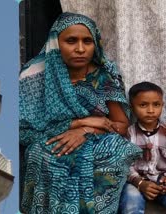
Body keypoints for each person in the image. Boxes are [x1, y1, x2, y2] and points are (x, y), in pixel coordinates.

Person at [19, 12, 142, 213]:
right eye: (71, 41)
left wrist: (86, 131)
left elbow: (120, 125)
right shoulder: (34, 76)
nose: (80, 49)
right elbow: (23, 130)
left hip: (97, 141)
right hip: (53, 141)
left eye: (87, 41)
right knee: (40, 154)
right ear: (56, 43)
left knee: (118, 151)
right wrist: (77, 124)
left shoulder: (105, 75)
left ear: (96, 44)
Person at [119, 81, 166, 214]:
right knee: (131, 200)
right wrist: (140, 183)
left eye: (156, 105)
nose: (150, 110)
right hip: (135, 183)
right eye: (143, 105)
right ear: (131, 107)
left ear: (162, 105)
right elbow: (124, 165)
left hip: (162, 181)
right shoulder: (128, 134)